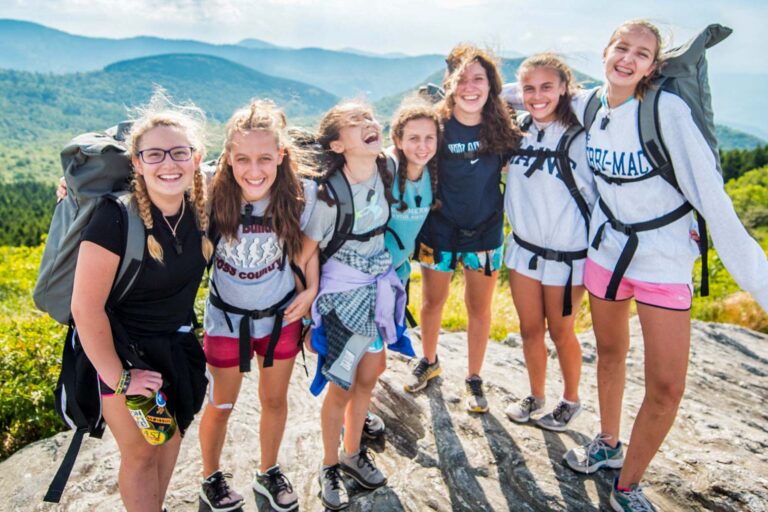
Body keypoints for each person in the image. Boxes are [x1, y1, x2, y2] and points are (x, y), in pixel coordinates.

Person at [543, 20, 768, 511]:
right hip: (607, 253)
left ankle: (627, 484)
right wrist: (479, 94)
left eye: (642, 54)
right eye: (621, 47)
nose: (628, 59)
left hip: (663, 260)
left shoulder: (666, 112)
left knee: (667, 386)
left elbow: (714, 202)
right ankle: (607, 442)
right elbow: (541, 92)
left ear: (652, 66)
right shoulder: (591, 104)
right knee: (608, 354)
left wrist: (761, 285)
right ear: (605, 51)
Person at [70, 92, 212, 512]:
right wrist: (120, 378)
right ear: (136, 163)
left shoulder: (200, 210)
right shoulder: (115, 217)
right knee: (144, 451)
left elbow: (265, 170)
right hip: (124, 354)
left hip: (178, 349)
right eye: (154, 155)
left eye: (179, 152)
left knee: (169, 441)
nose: (168, 164)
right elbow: (86, 308)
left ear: (196, 157)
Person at [197, 99, 319, 512]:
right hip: (226, 320)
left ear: (281, 156)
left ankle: (268, 471)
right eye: (243, 158)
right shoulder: (210, 188)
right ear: (228, 157)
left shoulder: (301, 193)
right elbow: (152, 179)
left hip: (280, 317)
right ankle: (210, 476)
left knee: (274, 401)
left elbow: (309, 248)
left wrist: (311, 290)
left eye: (265, 158)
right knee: (221, 403)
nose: (254, 170)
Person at [301, 100, 407, 510]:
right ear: (337, 145)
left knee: (370, 375)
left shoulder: (385, 170)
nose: (368, 124)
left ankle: (351, 451)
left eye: (369, 118)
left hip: (377, 289)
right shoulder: (329, 197)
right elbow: (306, 251)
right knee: (342, 387)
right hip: (345, 300)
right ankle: (330, 465)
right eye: (354, 123)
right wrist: (310, 297)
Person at [406, 44, 522, 413]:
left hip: (485, 233)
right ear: (450, 84)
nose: (471, 87)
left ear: (492, 85)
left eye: (479, 79)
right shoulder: (436, 127)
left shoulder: (502, 127)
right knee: (431, 302)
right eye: (462, 79)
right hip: (438, 230)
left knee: (479, 308)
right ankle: (429, 359)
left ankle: (473, 376)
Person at [502, 53, 596, 432]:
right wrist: (521, 94)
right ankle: (536, 394)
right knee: (529, 330)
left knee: (561, 331)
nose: (537, 96)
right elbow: (497, 95)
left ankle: (570, 399)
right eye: (528, 88)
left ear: (564, 89)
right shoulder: (518, 128)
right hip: (524, 249)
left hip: (567, 255)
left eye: (546, 87)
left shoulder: (581, 135)